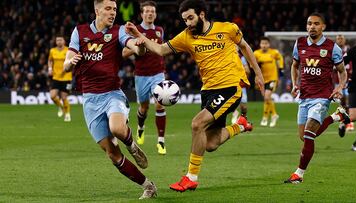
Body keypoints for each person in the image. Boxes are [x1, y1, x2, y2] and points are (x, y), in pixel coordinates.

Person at [125, 0, 265, 192]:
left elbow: (245, 47)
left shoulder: (227, 28)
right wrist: (139, 35)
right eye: (184, 20)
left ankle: (190, 177)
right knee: (211, 143)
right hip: (208, 90)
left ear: (201, 14)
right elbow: (160, 50)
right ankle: (240, 125)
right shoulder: (186, 37)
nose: (188, 23)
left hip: (230, 87)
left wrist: (258, 74)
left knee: (197, 123)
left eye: (190, 18)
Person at [63, 0, 156, 199]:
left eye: (114, 9)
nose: (112, 12)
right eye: (108, 9)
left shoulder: (118, 31)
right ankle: (148, 185)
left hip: (112, 93)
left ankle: (132, 146)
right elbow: (65, 65)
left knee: (117, 129)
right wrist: (71, 62)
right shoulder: (79, 32)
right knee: (112, 154)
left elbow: (134, 47)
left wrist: (139, 46)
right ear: (97, 11)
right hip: (89, 100)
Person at [284, 13, 350, 184]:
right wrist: (294, 84)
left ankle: (298, 174)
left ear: (323, 27)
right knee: (304, 136)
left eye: (316, 24)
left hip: (322, 96)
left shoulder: (332, 47)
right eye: (309, 24)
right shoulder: (299, 43)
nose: (312, 26)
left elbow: (342, 71)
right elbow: (294, 65)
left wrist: (339, 86)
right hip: (304, 96)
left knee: (308, 134)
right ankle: (337, 116)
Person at [122, 1, 167, 155]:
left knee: (160, 104)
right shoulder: (136, 31)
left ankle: (161, 141)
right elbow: (124, 53)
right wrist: (139, 46)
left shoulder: (160, 30)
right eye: (147, 11)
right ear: (142, 14)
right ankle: (141, 128)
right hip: (141, 75)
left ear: (155, 14)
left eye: (152, 11)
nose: (150, 14)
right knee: (144, 107)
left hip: (158, 73)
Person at [254, 36, 284, 127]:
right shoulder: (256, 54)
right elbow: (254, 65)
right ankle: (269, 116)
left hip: (272, 78)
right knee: (266, 98)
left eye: (266, 43)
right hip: (263, 79)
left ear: (269, 44)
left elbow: (280, 58)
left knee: (267, 97)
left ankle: (270, 116)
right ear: (260, 44)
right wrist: (256, 76)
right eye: (262, 43)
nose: (264, 45)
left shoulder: (274, 52)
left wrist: (281, 68)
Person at [48, 35, 72, 122]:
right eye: (57, 40)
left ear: (64, 41)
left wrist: (66, 69)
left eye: (60, 40)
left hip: (66, 77)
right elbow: (50, 60)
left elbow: (72, 62)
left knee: (64, 97)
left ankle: (67, 114)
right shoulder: (52, 51)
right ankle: (61, 107)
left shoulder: (68, 50)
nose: (59, 42)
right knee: (52, 96)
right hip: (56, 77)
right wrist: (50, 68)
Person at [334, 35, 354, 135]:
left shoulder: (349, 49)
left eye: (342, 38)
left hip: (349, 78)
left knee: (348, 99)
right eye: (338, 39)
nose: (340, 40)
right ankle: (344, 121)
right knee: (342, 101)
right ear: (336, 40)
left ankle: (349, 122)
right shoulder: (333, 49)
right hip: (338, 79)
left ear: (345, 40)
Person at [342, 43, 356, 151]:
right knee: (354, 116)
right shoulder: (354, 50)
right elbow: (340, 64)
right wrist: (343, 79)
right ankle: (343, 123)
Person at [231, 55, 251, 124]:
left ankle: (244, 118)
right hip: (231, 83)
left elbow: (247, 70)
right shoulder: (226, 56)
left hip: (241, 84)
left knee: (244, 106)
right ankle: (235, 113)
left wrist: (245, 75)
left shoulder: (241, 58)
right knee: (232, 101)